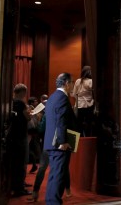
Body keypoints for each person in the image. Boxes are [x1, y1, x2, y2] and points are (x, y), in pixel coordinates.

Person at [44, 73, 77, 204]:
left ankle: (51, 201)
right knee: (58, 176)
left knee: (54, 175)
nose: (73, 85)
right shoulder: (62, 98)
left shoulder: (52, 97)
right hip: (59, 144)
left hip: (51, 143)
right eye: (72, 82)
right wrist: (62, 141)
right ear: (66, 83)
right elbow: (61, 121)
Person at [8, 83, 31, 197]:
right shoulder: (21, 103)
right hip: (21, 135)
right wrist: (31, 112)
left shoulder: (11, 102)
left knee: (15, 162)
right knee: (22, 161)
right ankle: (19, 188)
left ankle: (15, 184)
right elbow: (28, 117)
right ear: (22, 92)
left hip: (13, 135)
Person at [72, 65, 95, 136]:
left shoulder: (78, 81)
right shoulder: (91, 81)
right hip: (89, 105)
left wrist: (78, 99)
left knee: (79, 125)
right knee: (89, 124)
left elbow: (74, 94)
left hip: (79, 105)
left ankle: (80, 140)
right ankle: (88, 140)